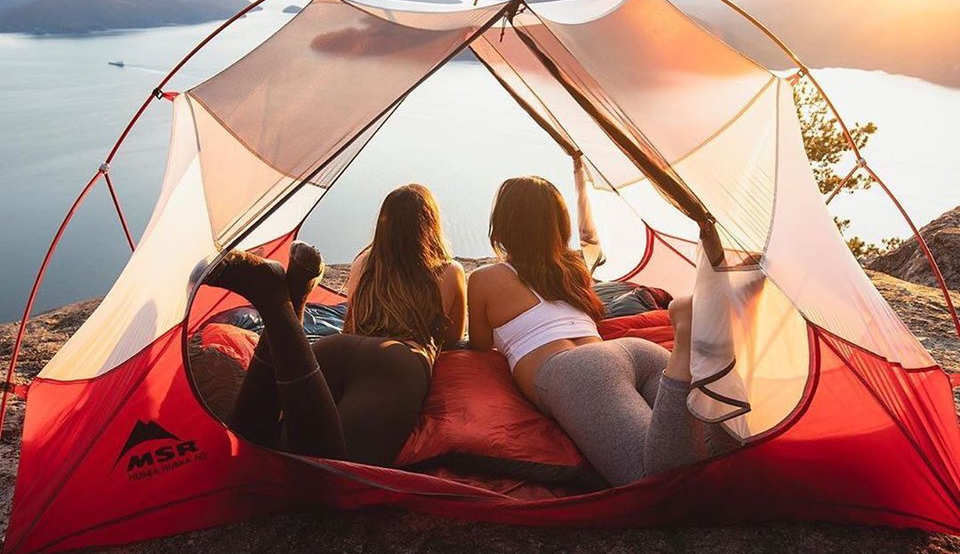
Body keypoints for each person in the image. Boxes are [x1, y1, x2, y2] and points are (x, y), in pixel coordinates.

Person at [467, 176, 736, 486]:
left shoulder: (485, 278)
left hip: (579, 370)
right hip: (634, 352)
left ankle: (686, 336)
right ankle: (707, 346)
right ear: (558, 224)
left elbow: (480, 344)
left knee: (650, 479)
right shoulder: (572, 269)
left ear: (502, 224)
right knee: (715, 453)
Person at [203, 184, 465, 466]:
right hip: (396, 360)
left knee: (255, 440)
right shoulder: (448, 270)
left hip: (337, 348)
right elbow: (453, 336)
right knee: (330, 464)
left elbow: (350, 324)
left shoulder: (363, 262)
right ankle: (273, 300)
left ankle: (289, 299)